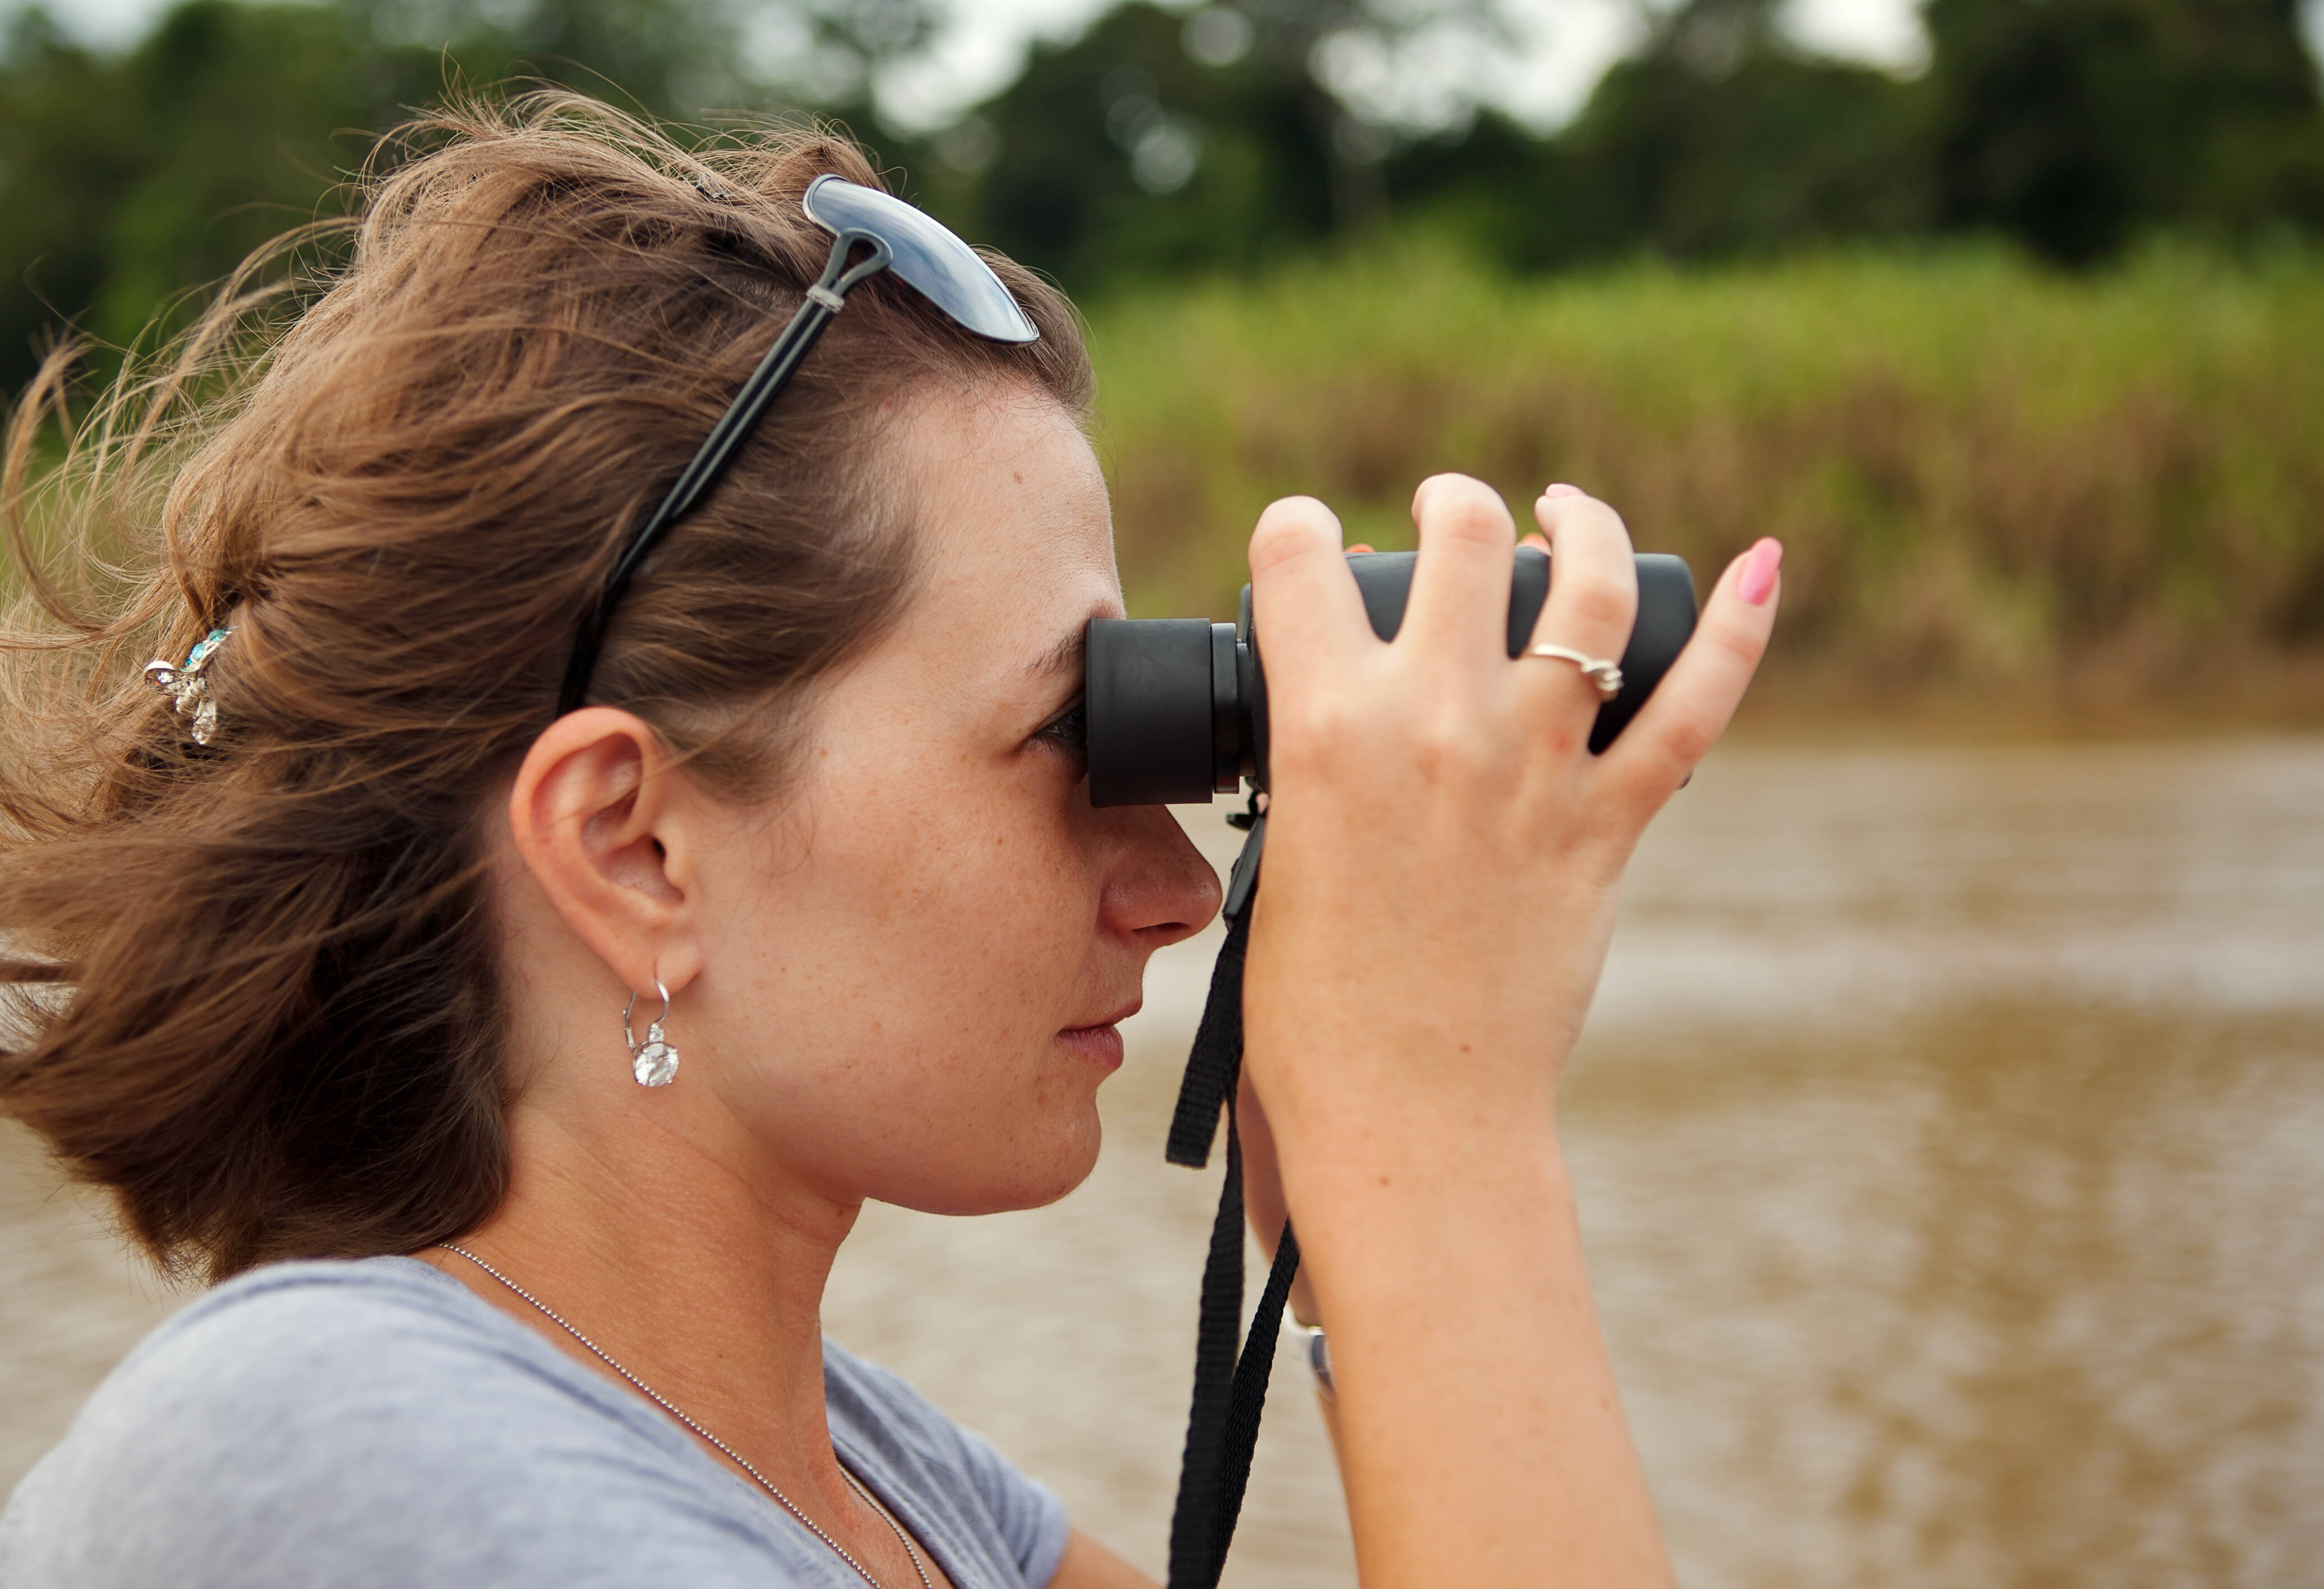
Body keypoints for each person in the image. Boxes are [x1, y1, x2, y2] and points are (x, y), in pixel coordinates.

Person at [0, 93, 1781, 1589]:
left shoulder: (851, 1468)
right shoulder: (332, 1454)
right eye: (1064, 738)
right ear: (633, 850)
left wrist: (1359, 1209)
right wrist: (1432, 1132)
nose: (1179, 891)